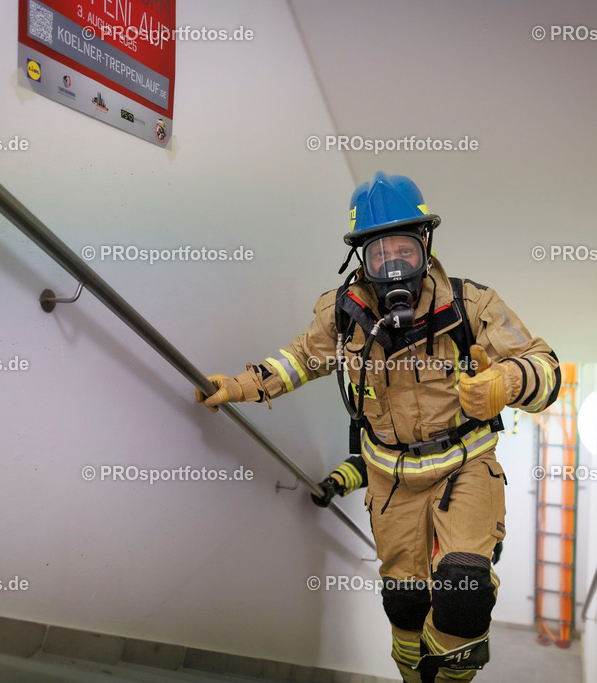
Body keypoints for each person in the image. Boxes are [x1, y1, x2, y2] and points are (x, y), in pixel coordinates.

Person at [197, 172, 560, 682]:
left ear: (425, 244)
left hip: (465, 466)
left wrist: (505, 382)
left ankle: (447, 673)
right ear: (360, 259)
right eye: (379, 254)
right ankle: (415, 676)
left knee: (463, 593)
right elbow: (300, 360)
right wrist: (239, 386)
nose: (393, 266)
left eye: (405, 250)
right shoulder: (343, 314)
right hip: (390, 483)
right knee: (405, 607)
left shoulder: (471, 305)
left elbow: (546, 367)